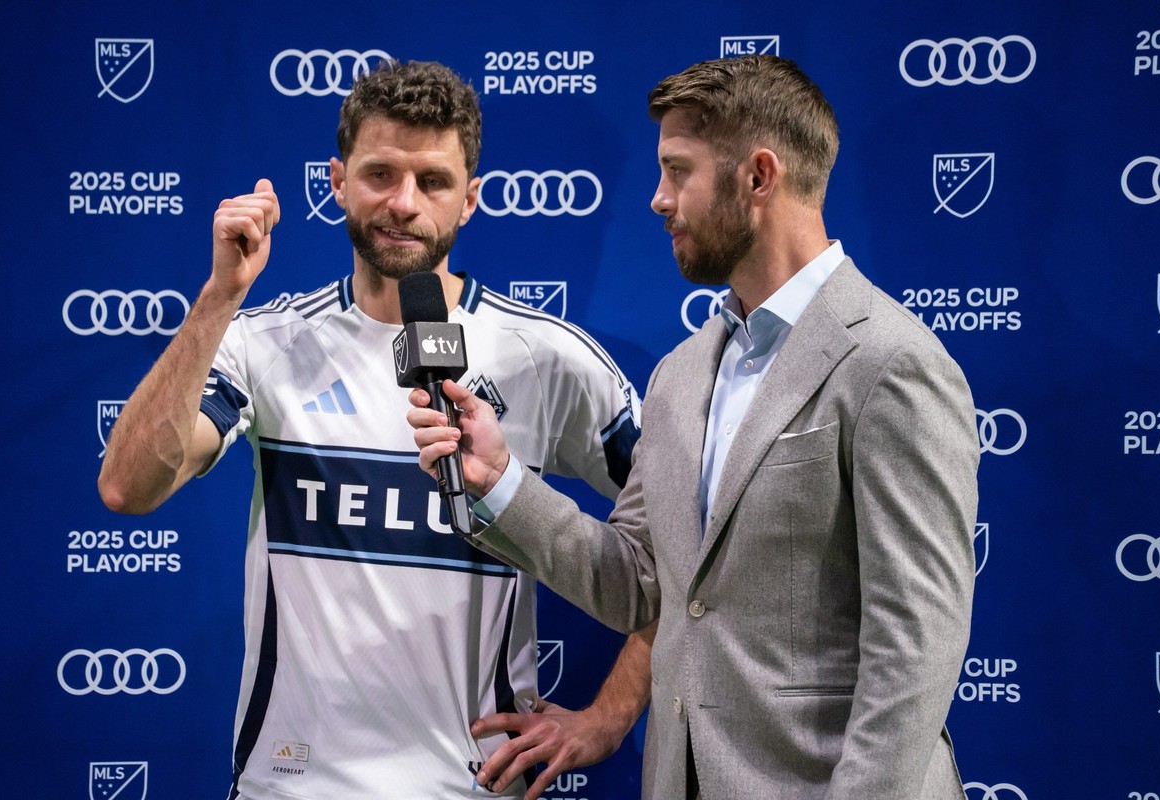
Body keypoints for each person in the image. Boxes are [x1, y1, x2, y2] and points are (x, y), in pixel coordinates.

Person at [409, 54, 979, 800]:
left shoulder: (891, 363)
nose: (657, 200)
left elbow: (916, 650)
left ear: (759, 176)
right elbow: (641, 588)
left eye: (678, 171)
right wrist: (503, 481)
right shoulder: (682, 373)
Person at [98, 60, 653, 799]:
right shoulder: (265, 342)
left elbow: (691, 547)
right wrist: (217, 299)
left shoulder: (547, 359)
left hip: (473, 788)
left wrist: (610, 719)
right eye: (380, 174)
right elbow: (127, 488)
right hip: (290, 787)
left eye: (432, 182)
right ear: (335, 181)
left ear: (470, 201)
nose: (403, 202)